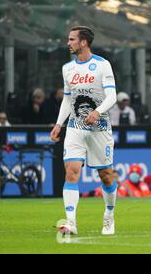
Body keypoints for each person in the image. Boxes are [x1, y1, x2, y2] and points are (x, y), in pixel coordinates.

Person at [50, 26, 118, 236]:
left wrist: (97, 112)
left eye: (71, 39)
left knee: (106, 176)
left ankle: (109, 215)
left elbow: (112, 97)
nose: (68, 43)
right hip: (75, 127)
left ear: (83, 42)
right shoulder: (67, 68)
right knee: (71, 172)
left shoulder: (102, 65)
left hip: (100, 128)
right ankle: (71, 222)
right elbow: (68, 99)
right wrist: (59, 124)